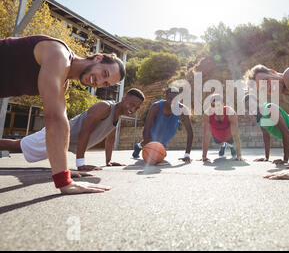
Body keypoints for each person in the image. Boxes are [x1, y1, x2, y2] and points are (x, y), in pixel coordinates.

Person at [0, 35, 125, 194]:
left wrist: (62, 169)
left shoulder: (63, 82)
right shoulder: (59, 55)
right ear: (98, 58)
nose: (99, 82)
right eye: (104, 73)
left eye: (105, 84)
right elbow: (54, 119)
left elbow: (61, 124)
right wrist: (64, 181)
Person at [0, 88, 144, 171]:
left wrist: (109, 161)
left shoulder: (117, 117)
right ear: (124, 98)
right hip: (57, 136)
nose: (132, 110)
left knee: (18, 146)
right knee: (16, 146)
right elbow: (85, 131)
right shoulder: (105, 107)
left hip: (62, 145)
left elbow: (110, 139)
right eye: (131, 104)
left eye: (136, 108)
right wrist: (80, 164)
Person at [132, 87, 193, 163]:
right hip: (153, 133)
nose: (172, 101)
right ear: (166, 97)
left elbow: (190, 132)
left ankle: (139, 145)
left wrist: (187, 154)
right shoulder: (156, 107)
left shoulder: (183, 109)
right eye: (170, 98)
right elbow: (146, 128)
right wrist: (149, 148)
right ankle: (139, 146)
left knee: (161, 154)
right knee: (153, 150)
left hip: (166, 136)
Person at [201, 94, 244, 162]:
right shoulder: (207, 114)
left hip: (229, 136)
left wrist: (239, 155)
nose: (215, 108)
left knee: (231, 141)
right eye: (213, 106)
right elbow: (206, 135)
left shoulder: (230, 112)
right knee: (219, 141)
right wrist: (204, 156)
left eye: (218, 105)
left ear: (223, 104)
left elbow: (235, 135)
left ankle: (230, 145)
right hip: (217, 136)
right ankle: (223, 145)